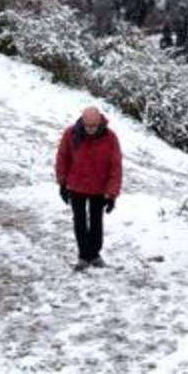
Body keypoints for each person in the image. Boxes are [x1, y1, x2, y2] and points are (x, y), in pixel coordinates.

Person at [55, 107, 123, 271]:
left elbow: (116, 167)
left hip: (99, 187)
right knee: (79, 221)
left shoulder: (110, 138)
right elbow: (62, 158)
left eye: (93, 126)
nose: (90, 130)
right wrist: (62, 183)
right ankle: (84, 256)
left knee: (96, 222)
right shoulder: (71, 134)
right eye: (87, 126)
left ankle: (94, 254)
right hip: (76, 185)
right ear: (82, 121)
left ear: (100, 122)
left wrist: (112, 194)